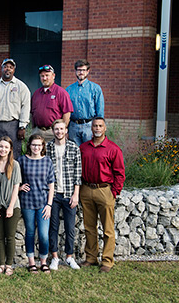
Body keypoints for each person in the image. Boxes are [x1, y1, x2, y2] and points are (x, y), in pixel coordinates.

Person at [79, 117, 125, 273]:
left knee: (107, 229)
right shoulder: (84, 147)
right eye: (94, 126)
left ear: (105, 128)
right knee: (89, 227)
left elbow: (120, 173)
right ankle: (91, 258)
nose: (97, 128)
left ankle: (107, 260)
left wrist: (114, 192)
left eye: (100, 126)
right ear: (91, 128)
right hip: (86, 189)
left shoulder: (113, 149)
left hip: (104, 190)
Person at [46, 119, 82, 271]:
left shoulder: (74, 148)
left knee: (69, 227)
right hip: (53, 195)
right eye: (56, 129)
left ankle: (69, 257)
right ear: (53, 131)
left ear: (66, 130)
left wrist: (76, 194)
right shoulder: (48, 148)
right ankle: (54, 257)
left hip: (68, 194)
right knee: (53, 227)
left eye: (62, 129)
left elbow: (78, 173)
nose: (59, 132)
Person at [17, 134, 55, 274]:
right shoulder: (22, 160)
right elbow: (15, 179)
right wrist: (20, 188)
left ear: (43, 146)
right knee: (30, 232)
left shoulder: (47, 161)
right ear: (29, 145)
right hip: (27, 202)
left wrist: (49, 205)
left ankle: (43, 261)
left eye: (39, 145)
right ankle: (31, 262)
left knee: (44, 234)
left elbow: (51, 185)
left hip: (43, 203)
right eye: (34, 145)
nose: (36, 147)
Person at [0, 136, 22, 276]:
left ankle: (9, 265)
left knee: (10, 236)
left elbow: (16, 187)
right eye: (1, 146)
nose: (3, 149)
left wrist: (10, 207)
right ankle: (1, 264)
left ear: (10, 150)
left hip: (12, 206)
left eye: (6, 147)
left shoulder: (15, 165)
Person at [0, 58, 31, 159]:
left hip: (14, 125)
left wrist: (22, 126)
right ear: (2, 69)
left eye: (10, 67)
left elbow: (25, 107)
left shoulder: (22, 87)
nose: (8, 69)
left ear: (14, 70)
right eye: (5, 67)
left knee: (13, 154)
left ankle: (13, 174)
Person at [66, 60, 105, 146]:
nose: (81, 72)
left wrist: (98, 128)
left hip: (89, 125)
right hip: (73, 126)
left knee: (90, 151)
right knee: (75, 152)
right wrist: (66, 129)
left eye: (83, 70)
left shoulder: (95, 88)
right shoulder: (68, 90)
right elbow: (66, 111)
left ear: (88, 71)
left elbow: (100, 110)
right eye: (79, 70)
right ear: (75, 71)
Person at [31, 64, 73, 142]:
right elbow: (32, 113)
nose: (44, 78)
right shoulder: (36, 93)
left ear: (53, 76)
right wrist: (34, 129)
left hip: (53, 132)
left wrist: (62, 130)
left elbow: (67, 113)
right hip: (38, 132)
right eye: (42, 76)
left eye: (47, 75)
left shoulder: (61, 92)